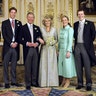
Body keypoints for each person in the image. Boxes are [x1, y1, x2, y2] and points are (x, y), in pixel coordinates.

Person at [19, 12, 43, 90]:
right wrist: (27, 43)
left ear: (34, 18)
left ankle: (34, 82)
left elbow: (40, 37)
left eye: (32, 17)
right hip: (27, 49)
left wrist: (37, 43)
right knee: (28, 67)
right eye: (29, 17)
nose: (31, 19)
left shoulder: (37, 27)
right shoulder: (23, 28)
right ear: (27, 18)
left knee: (35, 66)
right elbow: (19, 39)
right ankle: (28, 83)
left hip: (35, 49)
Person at [74, 9, 96, 91]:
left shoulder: (90, 23)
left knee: (87, 66)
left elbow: (93, 35)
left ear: (84, 15)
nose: (80, 15)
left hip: (86, 47)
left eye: (81, 14)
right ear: (77, 15)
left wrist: (88, 43)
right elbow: (75, 36)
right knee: (78, 66)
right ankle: (80, 83)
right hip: (77, 46)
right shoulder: (75, 24)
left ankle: (89, 83)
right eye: (79, 14)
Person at [1, 7, 22, 88]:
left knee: (14, 65)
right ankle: (6, 82)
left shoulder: (18, 23)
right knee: (5, 65)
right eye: (12, 12)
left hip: (16, 47)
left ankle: (13, 81)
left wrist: (16, 42)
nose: (13, 14)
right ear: (9, 13)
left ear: (15, 13)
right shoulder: (4, 23)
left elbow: (20, 35)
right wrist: (11, 43)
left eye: (14, 12)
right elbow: (4, 35)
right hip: (7, 47)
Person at [38, 15, 59, 87]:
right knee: (44, 65)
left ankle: (52, 82)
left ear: (51, 21)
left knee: (52, 65)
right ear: (44, 22)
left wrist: (52, 42)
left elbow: (56, 39)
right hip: (44, 50)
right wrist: (39, 39)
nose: (47, 22)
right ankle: (43, 82)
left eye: (49, 21)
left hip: (52, 50)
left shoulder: (54, 29)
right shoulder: (41, 29)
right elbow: (38, 37)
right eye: (46, 21)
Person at [58, 15, 76, 88]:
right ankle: (63, 80)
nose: (64, 21)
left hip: (66, 50)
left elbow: (70, 41)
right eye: (63, 20)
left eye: (65, 20)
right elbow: (59, 41)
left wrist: (69, 51)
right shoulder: (61, 29)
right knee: (62, 66)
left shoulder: (70, 29)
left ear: (68, 21)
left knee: (67, 66)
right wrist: (58, 50)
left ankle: (68, 81)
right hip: (61, 50)